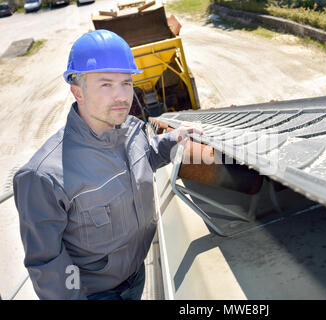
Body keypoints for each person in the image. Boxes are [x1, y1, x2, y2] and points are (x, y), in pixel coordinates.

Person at [13, 29, 203, 300]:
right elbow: (47, 266)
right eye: (106, 84)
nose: (122, 96)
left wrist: (175, 139)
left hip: (137, 277)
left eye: (126, 83)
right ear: (77, 91)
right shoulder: (44, 176)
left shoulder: (132, 131)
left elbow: (146, 156)